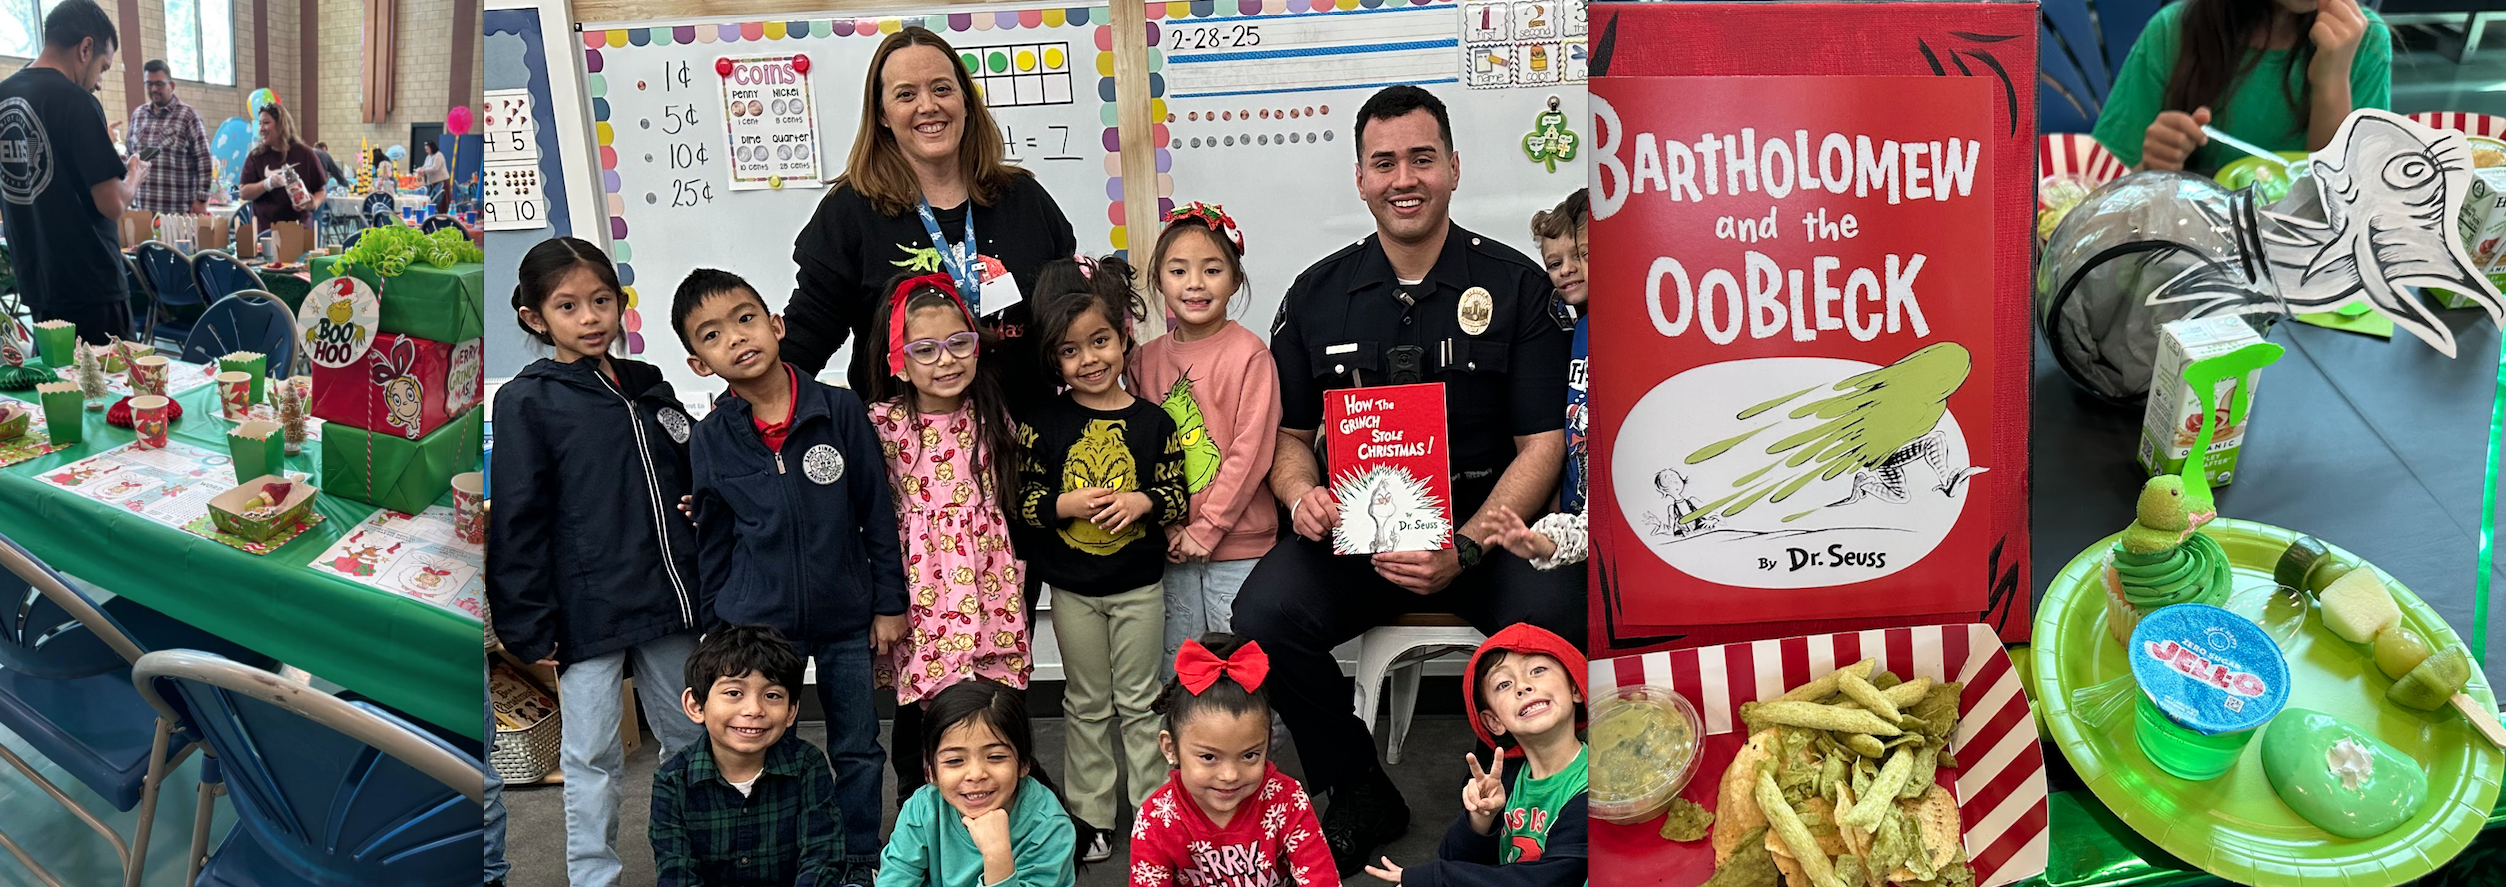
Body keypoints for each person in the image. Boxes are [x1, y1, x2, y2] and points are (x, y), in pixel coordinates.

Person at [1234, 84, 1582, 876]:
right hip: (1362, 538)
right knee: (1261, 615)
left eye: (1422, 159)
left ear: (1453, 168)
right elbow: (1289, 438)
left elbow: (1541, 446)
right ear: (1359, 178)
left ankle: (1540, 798)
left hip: (1487, 537)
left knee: (1561, 616)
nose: (1404, 179)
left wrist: (1467, 544)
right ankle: (1356, 785)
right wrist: (1301, 494)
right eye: (1384, 162)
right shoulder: (1316, 295)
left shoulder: (1517, 287)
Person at [487, 236, 709, 887]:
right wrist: (527, 620)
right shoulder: (528, 400)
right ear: (534, 317)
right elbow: (519, 519)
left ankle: (692, 864)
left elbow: (690, 469)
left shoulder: (647, 384)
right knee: (591, 756)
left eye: (601, 301)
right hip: (587, 614)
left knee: (691, 742)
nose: (590, 318)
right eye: (568, 306)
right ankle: (593, 876)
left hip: (667, 603)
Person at [679, 267, 909, 887]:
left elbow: (877, 513)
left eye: (745, 319)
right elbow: (713, 539)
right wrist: (715, 628)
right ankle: (785, 858)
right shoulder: (711, 438)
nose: (736, 337)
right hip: (758, 625)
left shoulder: (839, 410)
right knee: (764, 747)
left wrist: (889, 603)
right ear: (700, 364)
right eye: (712, 335)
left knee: (858, 745)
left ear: (776, 325)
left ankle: (858, 856)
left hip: (846, 618)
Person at [789, 26, 1076, 400]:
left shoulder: (1024, 199)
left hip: (1026, 430)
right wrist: (744, 409)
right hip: (901, 435)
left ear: (965, 101)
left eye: (942, 89)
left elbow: (1071, 316)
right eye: (906, 94)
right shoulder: (850, 211)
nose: (928, 106)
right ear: (883, 115)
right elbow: (808, 333)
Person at [1011, 256, 1189, 862]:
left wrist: (1144, 501)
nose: (1088, 359)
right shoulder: (1042, 424)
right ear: (1052, 359)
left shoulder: (1154, 423)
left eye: (1100, 341)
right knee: (1085, 703)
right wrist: (1063, 504)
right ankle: (1090, 815)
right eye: (1070, 350)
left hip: (1140, 589)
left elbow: (1176, 494)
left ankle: (1153, 812)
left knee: (1141, 701)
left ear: (1123, 337)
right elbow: (1024, 503)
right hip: (1072, 592)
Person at [861, 272, 1033, 804]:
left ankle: (997, 812)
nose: (946, 360)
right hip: (923, 590)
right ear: (898, 360)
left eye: (959, 343)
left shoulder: (991, 414)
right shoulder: (882, 424)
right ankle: (918, 810)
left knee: (990, 700)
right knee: (923, 707)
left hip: (986, 585)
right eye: (925, 349)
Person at [1128, 204, 1279, 661]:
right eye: (1178, 271)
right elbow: (1138, 454)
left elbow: (1251, 452)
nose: (1195, 283)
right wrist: (1171, 526)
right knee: (1179, 666)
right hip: (1171, 549)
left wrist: (1208, 528)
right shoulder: (1142, 361)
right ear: (1159, 281)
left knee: (1243, 668)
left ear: (1235, 280)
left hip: (1241, 548)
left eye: (1212, 270)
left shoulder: (1250, 355)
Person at [1363, 624, 1588, 887]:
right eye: (1504, 684)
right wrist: (1481, 818)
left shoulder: (1600, 788)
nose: (1523, 686)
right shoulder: (1508, 779)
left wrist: (1436, 878)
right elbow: (1454, 860)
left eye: (1538, 670)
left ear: (1575, 688)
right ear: (1494, 721)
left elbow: (1554, 879)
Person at [1127, 634, 1337, 887]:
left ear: (1267, 742)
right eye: (1209, 757)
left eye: (1249, 755)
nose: (1230, 775)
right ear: (1170, 748)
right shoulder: (1156, 818)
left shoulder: (1287, 800)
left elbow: (1321, 879)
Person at [2092, 0, 2387, 174]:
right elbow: (2101, 185)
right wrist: (2150, 168)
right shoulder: (2173, 32)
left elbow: (2349, 207)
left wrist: (2332, 80)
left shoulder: (2365, 44)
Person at [650, 625, 845, 887]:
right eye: (734, 693)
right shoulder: (673, 780)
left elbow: (821, 858)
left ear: (791, 712)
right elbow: (677, 874)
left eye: (772, 695)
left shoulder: (807, 764)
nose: (754, 709)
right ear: (696, 706)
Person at [0, 0, 146, 345]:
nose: (99, 83)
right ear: (85, 48)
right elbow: (112, 203)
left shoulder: (4, 95)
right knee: (110, 378)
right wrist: (135, 173)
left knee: (57, 377)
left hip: (37, 279)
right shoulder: (75, 99)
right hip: (90, 285)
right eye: (103, 68)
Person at [877, 679, 1080, 887]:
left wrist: (996, 854)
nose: (975, 775)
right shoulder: (922, 809)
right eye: (954, 760)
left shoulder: (1048, 827)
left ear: (1023, 763)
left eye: (995, 757)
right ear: (931, 772)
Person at [1481, 191, 1591, 572]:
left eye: (1582, 256)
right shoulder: (1567, 330)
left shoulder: (1621, 331)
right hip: (1572, 508)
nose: (1568, 270)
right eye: (1554, 264)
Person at [126, 59, 211, 215]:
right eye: (149, 84)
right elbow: (130, 156)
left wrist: (201, 199)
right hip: (142, 210)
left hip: (177, 213)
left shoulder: (188, 116)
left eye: (159, 84)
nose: (153, 89)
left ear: (171, 86)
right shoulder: (138, 115)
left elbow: (204, 159)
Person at [238, 100, 324, 226]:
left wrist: (313, 204)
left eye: (266, 123)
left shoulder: (305, 154)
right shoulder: (256, 156)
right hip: (265, 230)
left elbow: (321, 189)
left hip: (299, 229)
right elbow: (244, 193)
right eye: (260, 123)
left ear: (281, 124)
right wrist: (267, 184)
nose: (261, 129)